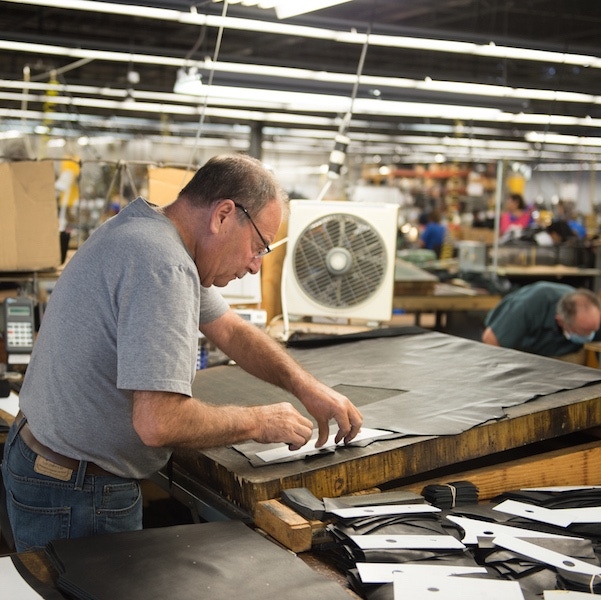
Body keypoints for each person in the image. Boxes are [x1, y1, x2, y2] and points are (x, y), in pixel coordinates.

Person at [2, 154, 363, 552]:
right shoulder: (164, 265)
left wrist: (305, 385)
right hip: (76, 490)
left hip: (46, 458)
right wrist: (259, 421)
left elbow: (229, 328)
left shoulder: (148, 229)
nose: (255, 266)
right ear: (223, 215)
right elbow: (158, 422)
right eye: (258, 246)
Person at [481, 281, 601, 358]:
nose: (589, 335)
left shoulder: (591, 317)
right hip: (516, 351)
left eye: (593, 330)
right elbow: (491, 339)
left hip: (554, 356)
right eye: (584, 331)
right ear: (560, 320)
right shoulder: (532, 304)